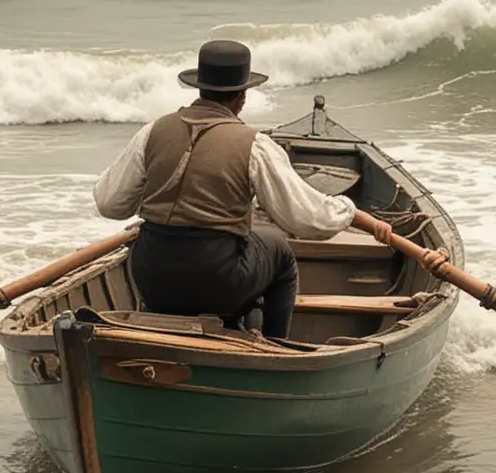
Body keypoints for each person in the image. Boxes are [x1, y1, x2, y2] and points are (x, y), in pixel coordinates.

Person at [80, 39, 390, 339]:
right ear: (241, 97)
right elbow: (310, 221)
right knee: (278, 252)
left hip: (150, 278)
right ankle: (275, 347)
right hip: (216, 283)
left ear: (199, 88)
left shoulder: (152, 132)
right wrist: (347, 209)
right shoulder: (254, 145)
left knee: (239, 249)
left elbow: (109, 204)